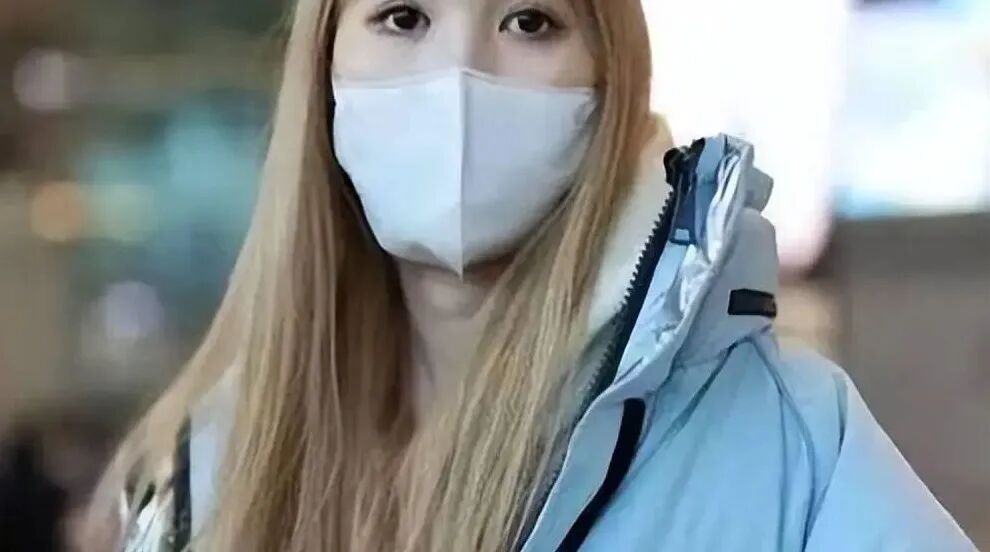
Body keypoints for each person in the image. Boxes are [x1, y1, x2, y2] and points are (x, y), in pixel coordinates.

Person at [89, 0, 976, 550]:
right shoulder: (210, 470)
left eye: (530, 21)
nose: (460, 78)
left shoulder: (795, 444)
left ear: (609, 80)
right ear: (324, 67)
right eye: (403, 17)